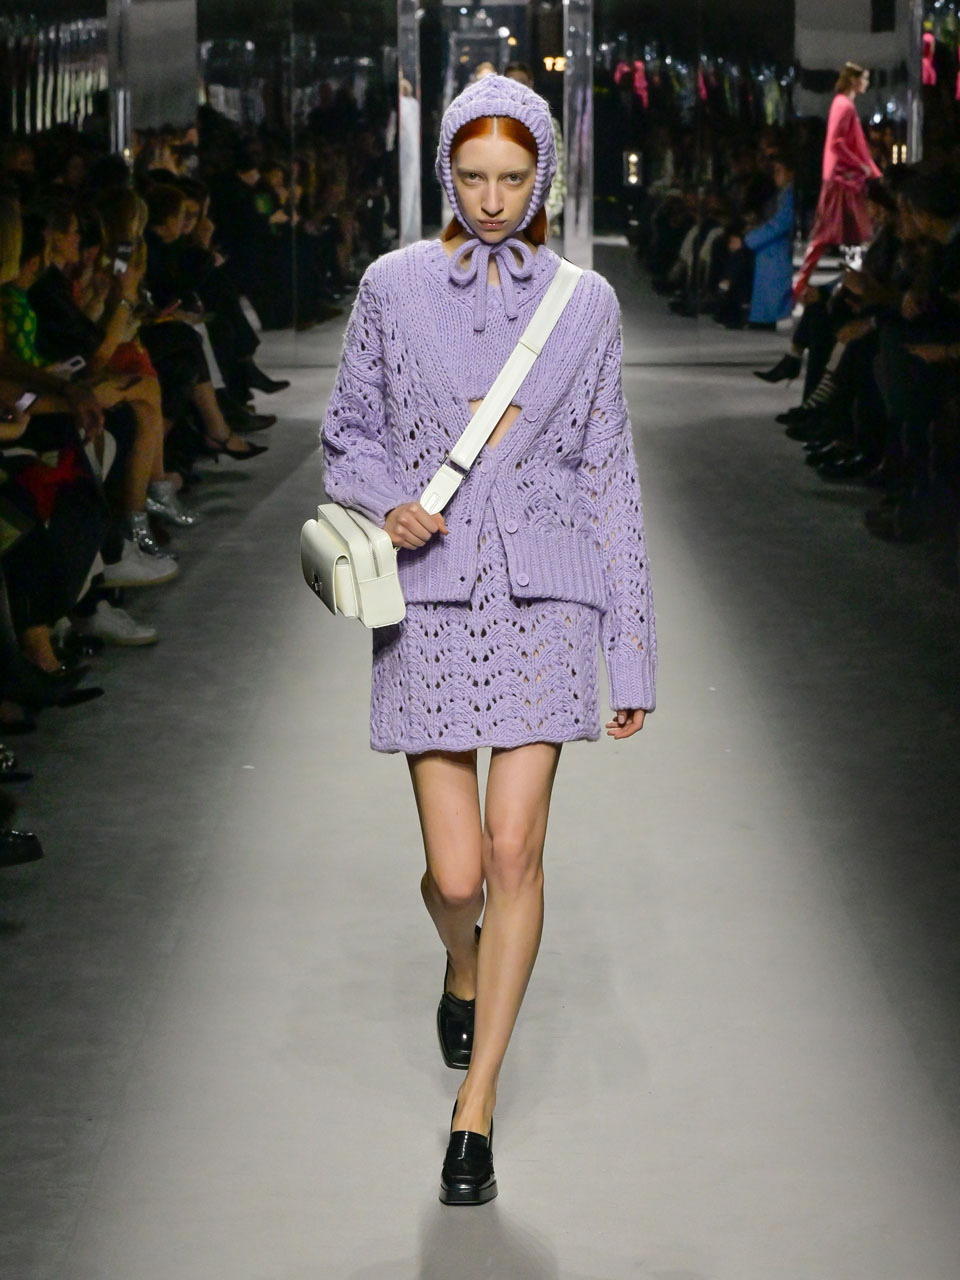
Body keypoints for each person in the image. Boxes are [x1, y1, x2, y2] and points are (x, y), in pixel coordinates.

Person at [320, 74, 656, 1206]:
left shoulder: (586, 305)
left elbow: (610, 478)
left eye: (514, 178)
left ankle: (477, 1107)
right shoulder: (391, 286)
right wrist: (389, 500)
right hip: (427, 595)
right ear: (447, 173)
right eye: (473, 177)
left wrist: (632, 650)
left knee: (514, 855)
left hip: (550, 599)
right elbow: (348, 433)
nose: (494, 199)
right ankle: (461, 963)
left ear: (543, 175)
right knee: (456, 872)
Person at [793, 62, 881, 299]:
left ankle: (810, 284)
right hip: (842, 181)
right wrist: (863, 166)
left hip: (842, 179)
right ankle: (807, 285)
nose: (866, 83)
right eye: (864, 78)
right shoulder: (844, 106)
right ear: (853, 80)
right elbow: (838, 143)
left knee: (842, 234)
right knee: (835, 235)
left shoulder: (841, 104)